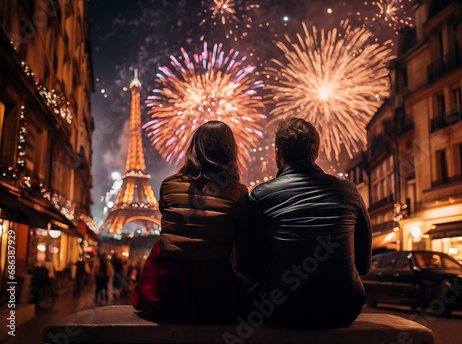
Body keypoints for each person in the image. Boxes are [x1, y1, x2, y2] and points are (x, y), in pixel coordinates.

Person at [240, 117, 372, 329]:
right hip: (344, 309)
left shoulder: (261, 195)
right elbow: (363, 266)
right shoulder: (349, 191)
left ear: (278, 153)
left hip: (283, 310)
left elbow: (251, 266)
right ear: (316, 152)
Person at [132, 121, 248, 323]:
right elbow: (244, 251)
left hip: (167, 289)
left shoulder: (168, 185)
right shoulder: (238, 192)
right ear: (230, 151)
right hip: (215, 290)